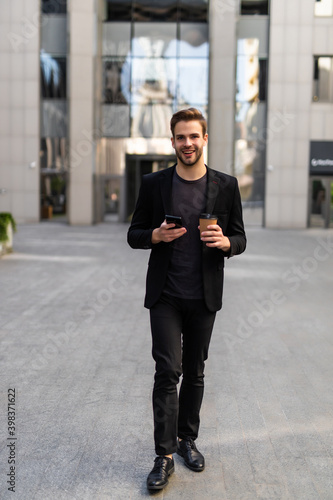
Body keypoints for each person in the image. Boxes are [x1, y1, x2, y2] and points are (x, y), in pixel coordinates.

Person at [127, 108, 246, 491]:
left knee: (195, 372)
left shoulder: (226, 186)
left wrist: (227, 243)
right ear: (172, 140)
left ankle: (186, 441)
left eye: (194, 136)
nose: (188, 143)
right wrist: (154, 237)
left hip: (204, 295)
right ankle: (163, 456)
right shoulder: (154, 183)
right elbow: (134, 233)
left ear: (204, 138)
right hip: (165, 295)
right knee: (167, 372)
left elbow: (240, 237)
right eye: (181, 137)